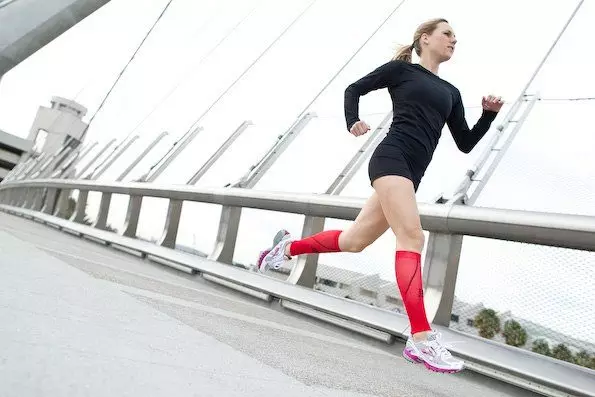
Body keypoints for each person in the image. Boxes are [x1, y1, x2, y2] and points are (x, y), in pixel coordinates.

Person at [255, 18, 503, 374]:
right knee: (412, 236)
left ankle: (287, 249)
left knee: (354, 240)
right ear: (425, 38)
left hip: (410, 174)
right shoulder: (401, 72)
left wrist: (488, 116)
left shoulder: (451, 92)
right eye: (447, 33)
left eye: (455, 36)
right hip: (391, 158)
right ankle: (420, 339)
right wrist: (351, 120)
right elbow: (353, 89)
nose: (453, 39)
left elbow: (465, 143)